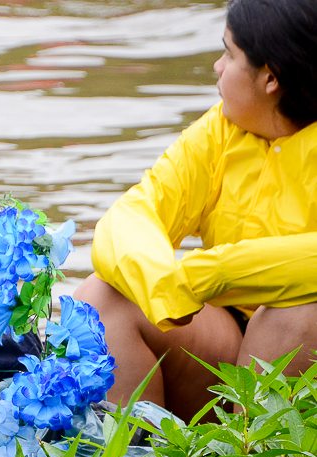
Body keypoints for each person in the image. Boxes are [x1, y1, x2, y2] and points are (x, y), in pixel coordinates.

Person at [75, 0, 317, 423]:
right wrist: (162, 284)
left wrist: (210, 274)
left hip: (298, 340)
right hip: (228, 340)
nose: (217, 67)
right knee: (104, 296)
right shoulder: (222, 129)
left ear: (271, 77)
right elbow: (132, 215)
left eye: (229, 54)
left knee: (294, 313)